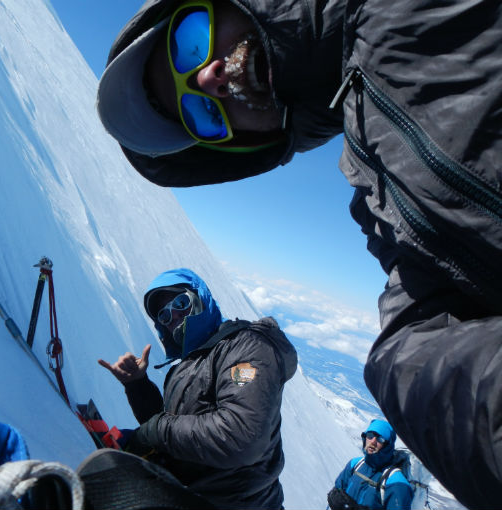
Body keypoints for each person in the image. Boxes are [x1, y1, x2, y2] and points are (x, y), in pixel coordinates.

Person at [96, 0, 502, 507]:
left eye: (191, 38)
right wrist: (140, 391)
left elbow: (236, 436)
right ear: (245, 141)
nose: (207, 79)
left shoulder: (243, 349)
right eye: (202, 114)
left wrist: (153, 434)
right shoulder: (369, 179)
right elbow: (171, 423)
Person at [98, 268, 297, 509]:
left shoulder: (245, 349)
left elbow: (243, 437)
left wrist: (156, 430)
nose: (174, 317)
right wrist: (137, 384)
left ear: (198, 297)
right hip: (191, 496)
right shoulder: (193, 361)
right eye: (164, 316)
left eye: (180, 302)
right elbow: (175, 431)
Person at [328, 420, 413, 510]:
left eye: (380, 439)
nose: (373, 442)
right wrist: (332, 498)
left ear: (388, 445)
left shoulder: (397, 482)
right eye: (370, 436)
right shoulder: (354, 464)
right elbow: (337, 490)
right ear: (365, 438)